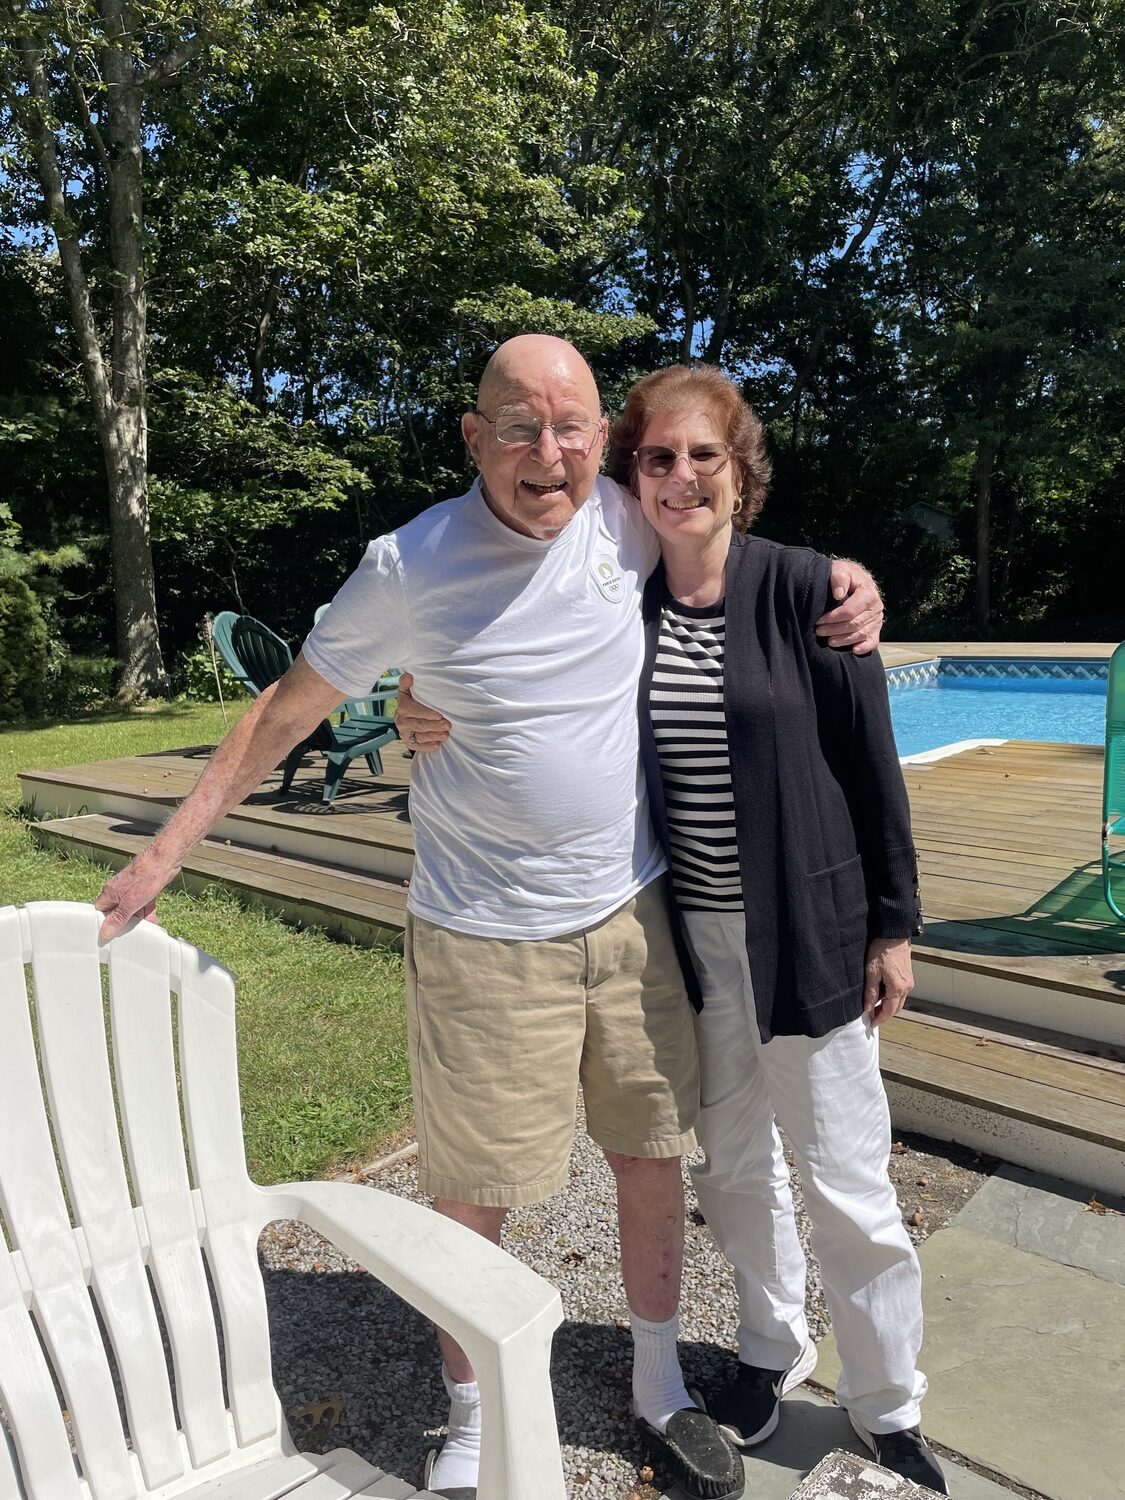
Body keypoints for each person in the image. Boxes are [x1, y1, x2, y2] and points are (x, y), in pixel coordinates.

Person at [94, 336, 882, 1500]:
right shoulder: (409, 567)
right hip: (481, 931)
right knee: (473, 1182)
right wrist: (165, 851)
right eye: (518, 426)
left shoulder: (624, 517)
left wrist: (844, 575)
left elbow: (726, 542)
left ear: (602, 437)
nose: (548, 453)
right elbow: (289, 705)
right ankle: (469, 1414)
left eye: (571, 427)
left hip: (634, 909)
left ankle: (659, 1382)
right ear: (474, 438)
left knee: (650, 1151)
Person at [611, 364, 946, 1494]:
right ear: (635, 475)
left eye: (703, 454)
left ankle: (889, 1402)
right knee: (737, 1165)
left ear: (739, 472)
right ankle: (770, 1349)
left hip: (806, 931)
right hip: (687, 942)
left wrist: (892, 927)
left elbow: (873, 769)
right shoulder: (623, 601)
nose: (681, 476)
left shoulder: (810, 592)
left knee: (848, 1179)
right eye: (658, 457)